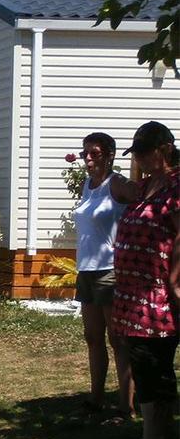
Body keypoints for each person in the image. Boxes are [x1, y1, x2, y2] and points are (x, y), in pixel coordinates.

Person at [112, 121, 179, 439]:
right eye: (135, 153)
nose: (137, 158)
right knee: (145, 363)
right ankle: (159, 435)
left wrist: (176, 283)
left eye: (143, 152)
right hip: (133, 295)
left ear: (164, 150)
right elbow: (115, 188)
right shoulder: (145, 186)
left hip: (159, 296)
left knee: (151, 365)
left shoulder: (176, 187)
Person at [72, 132, 138, 420]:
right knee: (92, 337)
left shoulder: (117, 184)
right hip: (86, 270)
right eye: (85, 153)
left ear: (109, 155)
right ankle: (96, 399)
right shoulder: (87, 186)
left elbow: (144, 201)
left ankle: (126, 406)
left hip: (110, 271)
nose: (88, 158)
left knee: (118, 339)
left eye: (95, 153)